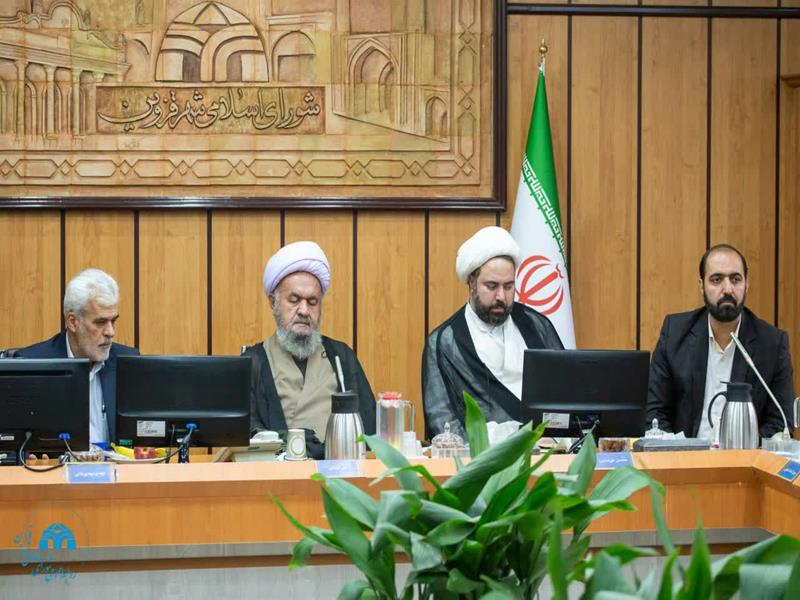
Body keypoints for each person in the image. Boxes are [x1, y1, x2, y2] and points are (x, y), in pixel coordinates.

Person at [422, 226, 564, 438]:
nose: (501, 297)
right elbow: (441, 420)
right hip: (481, 455)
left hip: (546, 448)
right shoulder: (445, 342)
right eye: (491, 286)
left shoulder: (537, 325)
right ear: (471, 282)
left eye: (508, 286)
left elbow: (565, 394)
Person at [646, 244, 795, 440]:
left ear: (747, 284)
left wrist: (739, 450)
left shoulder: (772, 344)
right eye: (716, 280)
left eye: (735, 279)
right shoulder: (675, 334)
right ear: (702, 286)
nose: (727, 289)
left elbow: (780, 424)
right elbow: (655, 414)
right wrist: (678, 451)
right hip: (684, 455)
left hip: (744, 456)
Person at [243, 241, 375, 457]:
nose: (304, 311)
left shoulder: (341, 357)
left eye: (312, 302)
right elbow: (247, 437)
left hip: (338, 472)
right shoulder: (253, 362)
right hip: (277, 475)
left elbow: (369, 431)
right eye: (294, 300)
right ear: (273, 303)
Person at [16, 268, 139, 445]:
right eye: (100, 322)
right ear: (73, 322)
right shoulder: (32, 364)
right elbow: (18, 443)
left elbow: (141, 439)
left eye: (113, 321)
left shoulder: (127, 363)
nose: (110, 332)